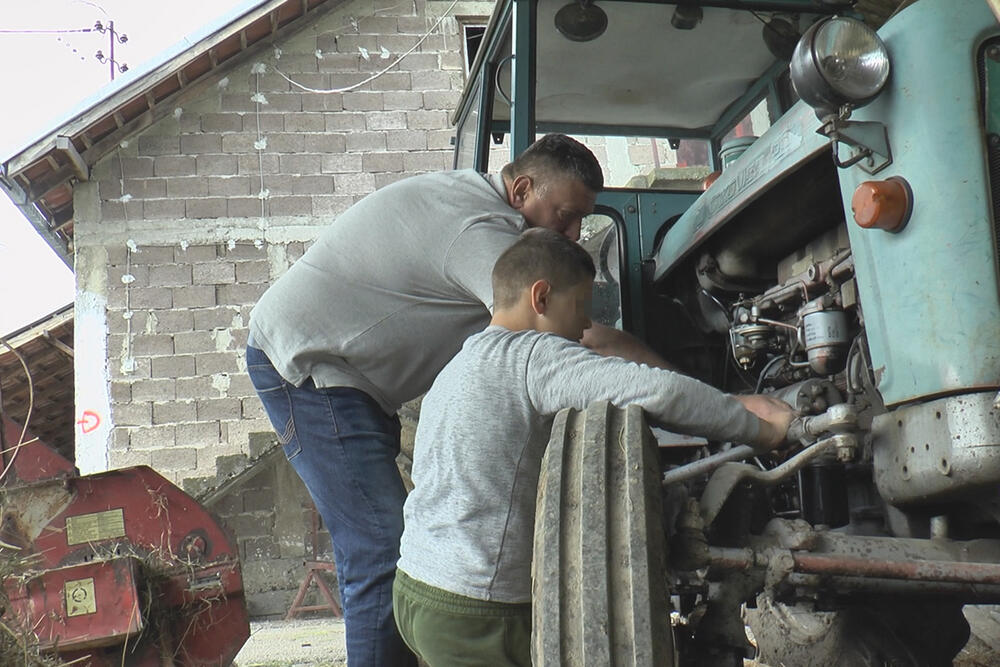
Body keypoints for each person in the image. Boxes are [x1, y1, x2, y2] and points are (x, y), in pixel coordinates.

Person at [246, 134, 637, 667]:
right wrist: (684, 387)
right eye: (563, 217)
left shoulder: (476, 207)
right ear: (521, 189)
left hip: (355, 382)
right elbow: (574, 334)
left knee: (384, 549)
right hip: (310, 367)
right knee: (382, 550)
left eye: (580, 224)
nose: (571, 235)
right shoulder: (481, 229)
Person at [393, 228, 795, 666]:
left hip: (416, 587)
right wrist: (757, 427)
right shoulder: (533, 357)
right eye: (581, 306)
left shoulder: (461, 362)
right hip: (478, 610)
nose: (585, 324)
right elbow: (655, 392)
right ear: (541, 297)